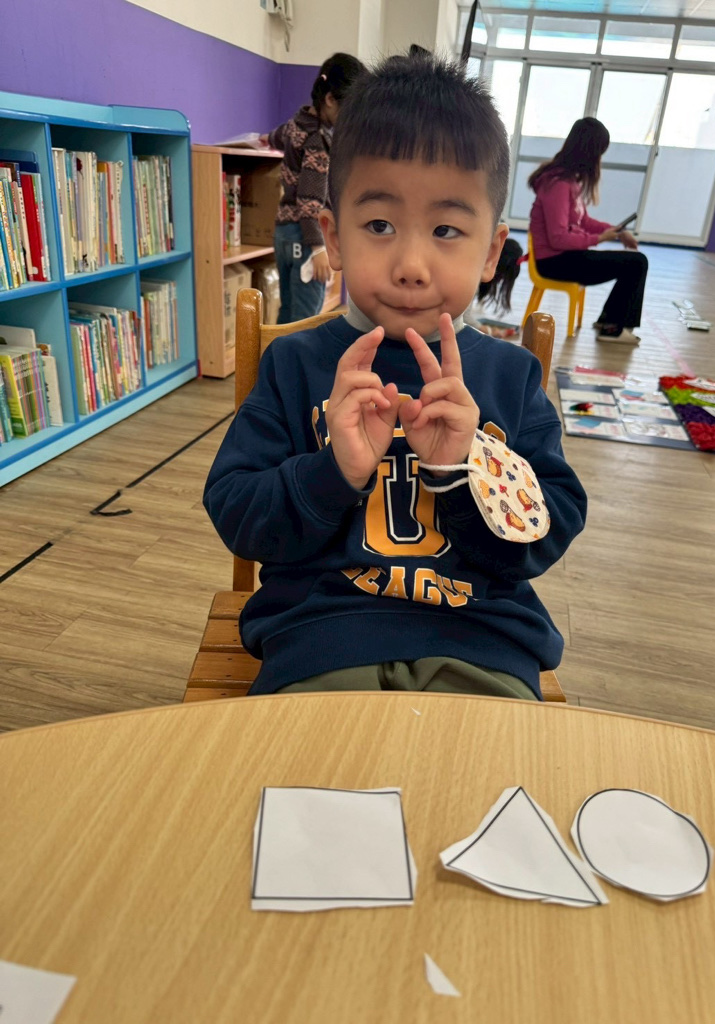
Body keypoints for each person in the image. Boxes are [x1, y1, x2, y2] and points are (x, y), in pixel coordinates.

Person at [204, 53, 587, 702]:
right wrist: (333, 472)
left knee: (491, 768)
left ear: (491, 251)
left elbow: (549, 528)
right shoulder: (294, 366)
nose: (411, 264)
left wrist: (467, 471)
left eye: (446, 229)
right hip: (319, 642)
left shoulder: (513, 377)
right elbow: (237, 514)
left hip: (483, 644)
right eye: (379, 225)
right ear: (334, 237)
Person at [262, 52, 365, 323]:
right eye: (349, 110)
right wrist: (319, 249)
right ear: (330, 99)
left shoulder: (297, 124)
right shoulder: (318, 143)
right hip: (306, 239)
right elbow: (310, 203)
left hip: (283, 234)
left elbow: (276, 137)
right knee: (306, 321)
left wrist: (263, 139)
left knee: (287, 313)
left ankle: (280, 353)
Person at [528, 117, 648, 344]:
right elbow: (558, 238)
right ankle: (612, 329)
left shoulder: (569, 180)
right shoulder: (558, 184)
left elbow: (583, 221)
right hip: (554, 262)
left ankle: (609, 321)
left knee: (634, 261)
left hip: (565, 257)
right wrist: (599, 238)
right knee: (637, 263)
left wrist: (616, 231)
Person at [465, 235, 523, 338]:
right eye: (502, 277)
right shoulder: (472, 278)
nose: (499, 281)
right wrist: (488, 331)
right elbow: (463, 318)